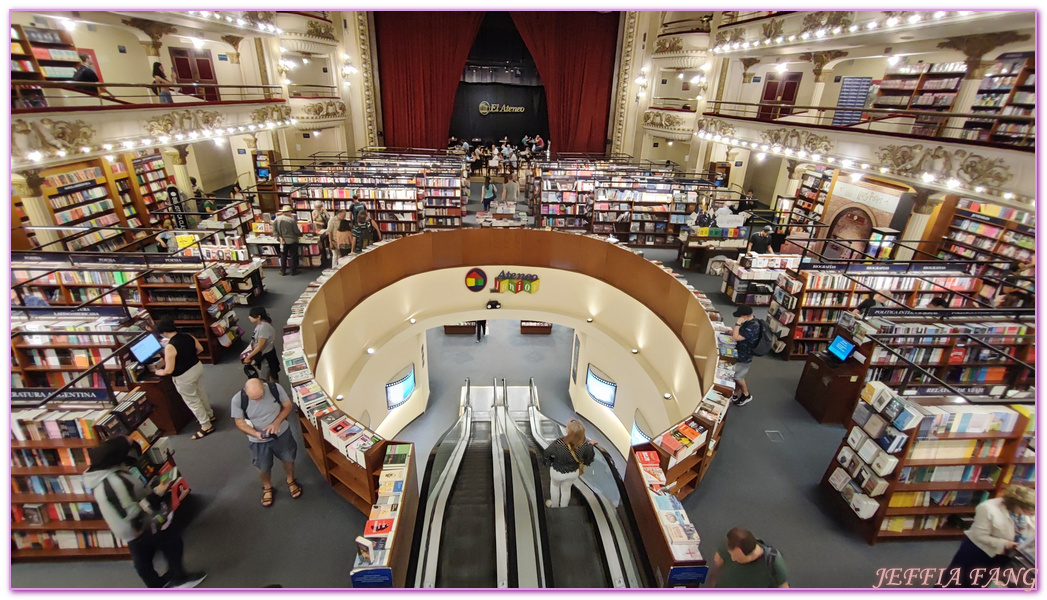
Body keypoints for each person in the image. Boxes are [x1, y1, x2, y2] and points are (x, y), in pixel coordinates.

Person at [84, 437, 206, 588]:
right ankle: (179, 579)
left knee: (143, 559)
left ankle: (157, 586)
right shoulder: (115, 482)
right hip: (139, 526)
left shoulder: (104, 474)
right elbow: (133, 514)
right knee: (171, 541)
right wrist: (157, 493)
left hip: (130, 529)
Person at [942, 484, 1034, 588]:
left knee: (982, 582)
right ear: (1017, 505)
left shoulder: (1027, 512)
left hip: (1004, 554)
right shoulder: (987, 508)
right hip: (979, 551)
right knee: (959, 580)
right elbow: (980, 536)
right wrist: (1005, 544)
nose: (1030, 516)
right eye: (1028, 513)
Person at [230, 378, 301, 508]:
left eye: (260, 397)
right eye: (253, 398)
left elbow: (287, 406)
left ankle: (290, 479)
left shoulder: (275, 388)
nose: (257, 400)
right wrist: (255, 434)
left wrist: (276, 422)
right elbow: (239, 423)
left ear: (264, 388)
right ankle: (267, 487)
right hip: (257, 441)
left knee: (289, 458)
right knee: (263, 466)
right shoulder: (238, 400)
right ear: (245, 391)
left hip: (282, 434)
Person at [153, 320, 216, 439]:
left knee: (192, 401)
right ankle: (209, 414)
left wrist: (158, 371)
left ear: (164, 332)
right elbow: (200, 349)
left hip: (184, 376)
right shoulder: (188, 336)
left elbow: (169, 370)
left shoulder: (170, 346)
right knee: (200, 392)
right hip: (197, 367)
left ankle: (206, 425)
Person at [541, 419, 596, 508]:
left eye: (567, 427)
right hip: (573, 473)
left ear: (569, 431)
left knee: (555, 486)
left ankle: (554, 506)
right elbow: (589, 457)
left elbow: (547, 453)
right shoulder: (584, 445)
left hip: (557, 471)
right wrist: (591, 445)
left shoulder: (559, 442)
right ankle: (564, 508)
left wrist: (550, 461)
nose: (566, 428)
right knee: (566, 489)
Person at [710, 527, 789, 588]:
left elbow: (783, 587)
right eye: (731, 554)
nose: (733, 559)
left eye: (737, 557)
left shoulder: (773, 562)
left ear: (750, 554)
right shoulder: (729, 545)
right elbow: (718, 561)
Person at [730, 305, 761, 406]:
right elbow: (740, 334)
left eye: (740, 316)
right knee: (737, 374)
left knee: (738, 376)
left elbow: (736, 338)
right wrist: (731, 332)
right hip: (740, 351)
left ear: (744, 316)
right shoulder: (749, 322)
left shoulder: (753, 326)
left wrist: (737, 323)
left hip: (745, 355)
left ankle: (746, 394)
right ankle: (734, 393)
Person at [242, 307, 280, 383]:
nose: (249, 317)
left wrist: (248, 357)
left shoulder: (264, 328)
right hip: (266, 353)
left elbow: (260, 346)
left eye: (251, 316)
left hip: (266, 355)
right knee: (271, 373)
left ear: (258, 316)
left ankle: (274, 389)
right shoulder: (261, 324)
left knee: (266, 376)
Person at [272, 206, 301, 276]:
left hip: (282, 240)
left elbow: (274, 231)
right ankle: (293, 271)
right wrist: (299, 234)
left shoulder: (277, 219)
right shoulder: (291, 220)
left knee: (283, 255)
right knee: (293, 255)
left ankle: (283, 270)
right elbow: (296, 231)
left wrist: (279, 237)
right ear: (288, 212)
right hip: (292, 240)